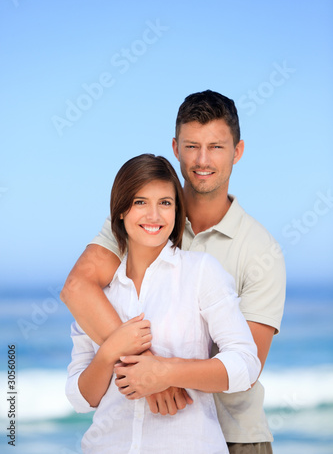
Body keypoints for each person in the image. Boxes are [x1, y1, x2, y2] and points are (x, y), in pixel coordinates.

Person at [61, 90, 286, 453]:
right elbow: (77, 288)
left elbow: (246, 368)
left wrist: (162, 374)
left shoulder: (261, 250)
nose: (202, 159)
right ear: (176, 147)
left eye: (216, 146)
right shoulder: (139, 222)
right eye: (192, 145)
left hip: (236, 434)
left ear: (237, 151)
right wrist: (145, 370)